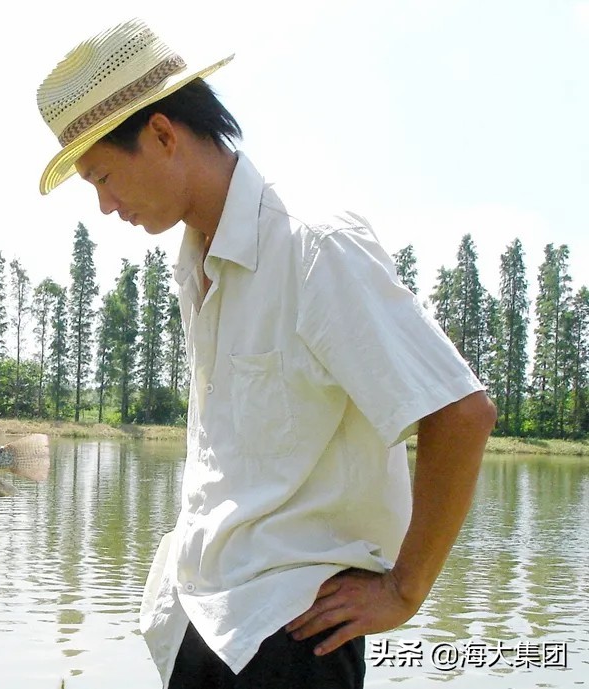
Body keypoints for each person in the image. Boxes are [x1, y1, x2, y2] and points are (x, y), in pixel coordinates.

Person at [36, 19, 496, 689]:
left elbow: (460, 412)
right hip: (203, 614)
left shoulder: (313, 248)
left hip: (293, 632)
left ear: (164, 134)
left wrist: (404, 589)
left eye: (105, 177)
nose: (105, 206)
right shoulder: (197, 263)